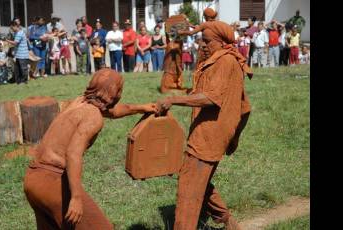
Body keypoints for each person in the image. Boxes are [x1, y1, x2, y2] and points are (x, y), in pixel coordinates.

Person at [23, 68, 157, 230]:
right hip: (52, 182)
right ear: (116, 92)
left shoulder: (79, 102)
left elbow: (112, 111)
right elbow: (73, 153)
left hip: (32, 180)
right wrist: (76, 198)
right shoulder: (94, 116)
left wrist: (142, 107)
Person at [157, 13, 252, 230]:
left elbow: (212, 97)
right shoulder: (225, 60)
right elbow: (246, 108)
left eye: (207, 41)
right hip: (215, 135)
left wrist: (174, 99)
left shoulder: (226, 61)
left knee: (189, 188)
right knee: (199, 179)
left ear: (222, 42)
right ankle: (228, 221)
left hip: (208, 136)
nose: (203, 45)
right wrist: (235, 136)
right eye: (202, 40)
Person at [6, 20, 30, 84]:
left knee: (23, 69)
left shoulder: (20, 33)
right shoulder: (16, 33)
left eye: (12, 28)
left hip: (23, 54)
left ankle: (24, 81)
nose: (11, 29)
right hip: (19, 54)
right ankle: (19, 81)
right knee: (17, 69)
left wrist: (6, 40)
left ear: (15, 26)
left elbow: (15, 43)